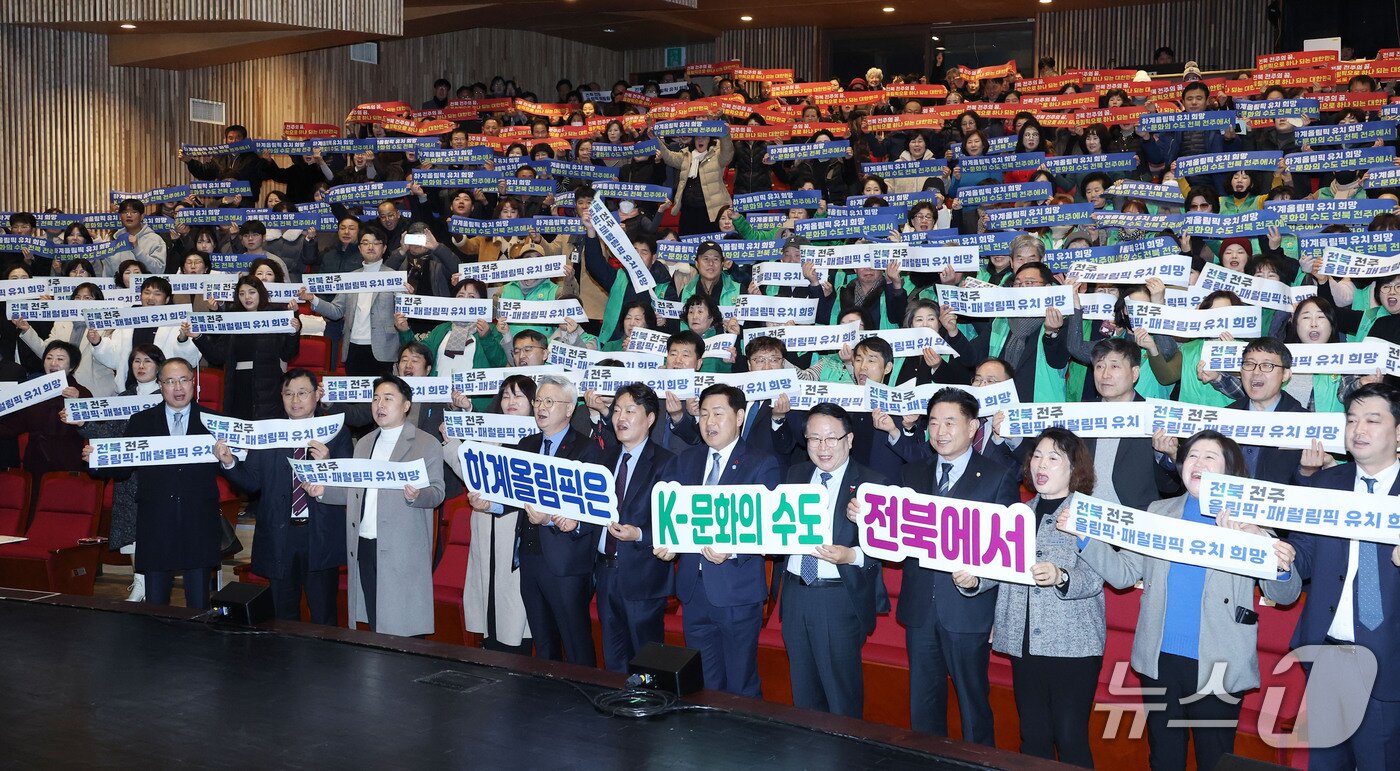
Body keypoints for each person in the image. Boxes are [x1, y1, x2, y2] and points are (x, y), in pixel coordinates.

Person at [1065, 430, 1301, 771]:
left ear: (1230, 471)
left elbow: (1285, 593)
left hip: (1219, 662)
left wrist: (1274, 559)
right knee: (1164, 757)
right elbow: (1124, 573)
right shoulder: (1158, 512)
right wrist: (1086, 538)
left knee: (1215, 760)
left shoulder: (1250, 521)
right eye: (1192, 456)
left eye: (1210, 457)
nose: (1198, 463)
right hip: (1160, 659)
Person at [958, 428, 1103, 767]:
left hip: (1073, 643)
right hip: (1024, 640)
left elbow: (1100, 577)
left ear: (1074, 469)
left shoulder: (1090, 513)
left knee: (1070, 737)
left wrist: (1061, 576)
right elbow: (999, 565)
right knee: (1033, 734)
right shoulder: (1017, 512)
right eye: (1037, 455)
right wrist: (975, 579)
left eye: (1054, 458)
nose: (1042, 464)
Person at [897, 387, 1020, 745]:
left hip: (968, 609)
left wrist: (980, 578)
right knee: (923, 702)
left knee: (973, 702)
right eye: (933, 422)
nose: (940, 431)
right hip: (920, 607)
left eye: (950, 422)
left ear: (972, 429)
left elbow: (1006, 549)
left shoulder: (997, 476)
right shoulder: (912, 474)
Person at [1290, 382, 1400, 770]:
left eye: (1372, 419)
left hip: (1389, 662)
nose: (1358, 429)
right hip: (1325, 654)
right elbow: (1301, 557)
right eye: (1351, 420)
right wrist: (1265, 547)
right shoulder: (1325, 484)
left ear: (1399, 433)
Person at [655, 384, 781, 697]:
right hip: (693, 590)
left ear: (739, 417)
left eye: (718, 413)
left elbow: (770, 525)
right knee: (705, 683)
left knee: (741, 683)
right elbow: (668, 509)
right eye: (704, 413)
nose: (709, 421)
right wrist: (668, 543)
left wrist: (733, 547)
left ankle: (745, 744)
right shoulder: (687, 460)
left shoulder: (761, 463)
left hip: (736, 591)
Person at [305, 375, 446, 637]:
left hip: (402, 548)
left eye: (388, 398)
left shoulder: (427, 443)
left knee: (404, 628)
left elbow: (437, 492)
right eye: (375, 398)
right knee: (374, 621)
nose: (379, 404)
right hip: (366, 542)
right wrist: (324, 491)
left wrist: (417, 495)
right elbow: (355, 491)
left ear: (406, 405)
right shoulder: (366, 443)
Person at [214, 369, 351, 625]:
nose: (295, 400)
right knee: (283, 615)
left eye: (302, 393)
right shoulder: (269, 432)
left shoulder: (335, 431)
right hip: (280, 534)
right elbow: (252, 483)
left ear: (316, 395)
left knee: (324, 615)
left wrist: (329, 464)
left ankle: (327, 664)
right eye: (288, 394)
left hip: (318, 534)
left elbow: (349, 487)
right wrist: (230, 463)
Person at [479, 375, 600, 665]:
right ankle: (548, 698)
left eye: (549, 401)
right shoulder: (527, 444)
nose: (540, 407)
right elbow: (513, 496)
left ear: (570, 409)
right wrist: (491, 503)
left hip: (566, 562)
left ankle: (583, 701)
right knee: (543, 642)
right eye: (538, 401)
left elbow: (592, 511)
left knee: (575, 642)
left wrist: (549, 519)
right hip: (529, 557)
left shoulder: (586, 449)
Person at [86, 358, 224, 609]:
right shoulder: (142, 421)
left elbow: (235, 470)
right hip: (156, 521)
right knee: (156, 605)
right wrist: (98, 460)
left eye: (184, 380)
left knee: (199, 604)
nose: (178, 387)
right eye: (170, 381)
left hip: (198, 520)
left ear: (194, 384)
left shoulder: (214, 421)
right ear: (160, 386)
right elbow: (123, 470)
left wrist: (228, 460)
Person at [777, 402, 886, 719]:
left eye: (830, 439)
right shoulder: (795, 474)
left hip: (838, 599)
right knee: (804, 693)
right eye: (813, 439)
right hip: (796, 594)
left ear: (849, 440)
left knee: (841, 698)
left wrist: (851, 554)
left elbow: (889, 550)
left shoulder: (871, 483)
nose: (822, 448)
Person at [448, 375, 537, 653]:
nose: (511, 402)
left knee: (514, 602)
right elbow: (469, 472)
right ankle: (491, 645)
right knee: (487, 593)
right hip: (485, 525)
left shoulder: (538, 437)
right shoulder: (487, 434)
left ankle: (516, 652)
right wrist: (451, 442)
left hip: (516, 527)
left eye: (518, 396)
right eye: (506, 395)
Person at [69, 344, 164, 602]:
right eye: (136, 361)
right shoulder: (122, 398)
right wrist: (84, 424)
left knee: (153, 532)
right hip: (127, 474)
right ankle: (140, 582)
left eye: (147, 361)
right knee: (130, 532)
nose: (141, 366)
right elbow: (107, 433)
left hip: (158, 475)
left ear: (158, 366)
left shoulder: (167, 396)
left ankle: (150, 583)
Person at [593, 383, 676, 672]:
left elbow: (673, 525)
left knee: (647, 660)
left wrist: (639, 534)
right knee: (613, 657)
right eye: (616, 410)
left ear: (650, 418)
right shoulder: (603, 460)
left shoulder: (666, 463)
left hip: (643, 575)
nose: (620, 417)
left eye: (630, 410)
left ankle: (650, 710)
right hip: (604, 572)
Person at [192, 276, 301, 420]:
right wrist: (198, 337)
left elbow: (288, 354)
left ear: (260, 293)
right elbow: (216, 357)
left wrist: (294, 331)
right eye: (242, 294)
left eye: (252, 292)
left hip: (267, 387)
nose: (247, 297)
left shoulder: (273, 316)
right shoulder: (233, 319)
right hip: (238, 385)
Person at [301, 226, 399, 376]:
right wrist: (312, 299)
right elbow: (336, 311)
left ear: (384, 248)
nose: (370, 247)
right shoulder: (351, 278)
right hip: (353, 346)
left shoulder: (395, 278)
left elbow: (404, 312)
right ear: (359, 248)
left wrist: (407, 296)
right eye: (365, 243)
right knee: (356, 399)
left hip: (383, 350)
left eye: (376, 243)